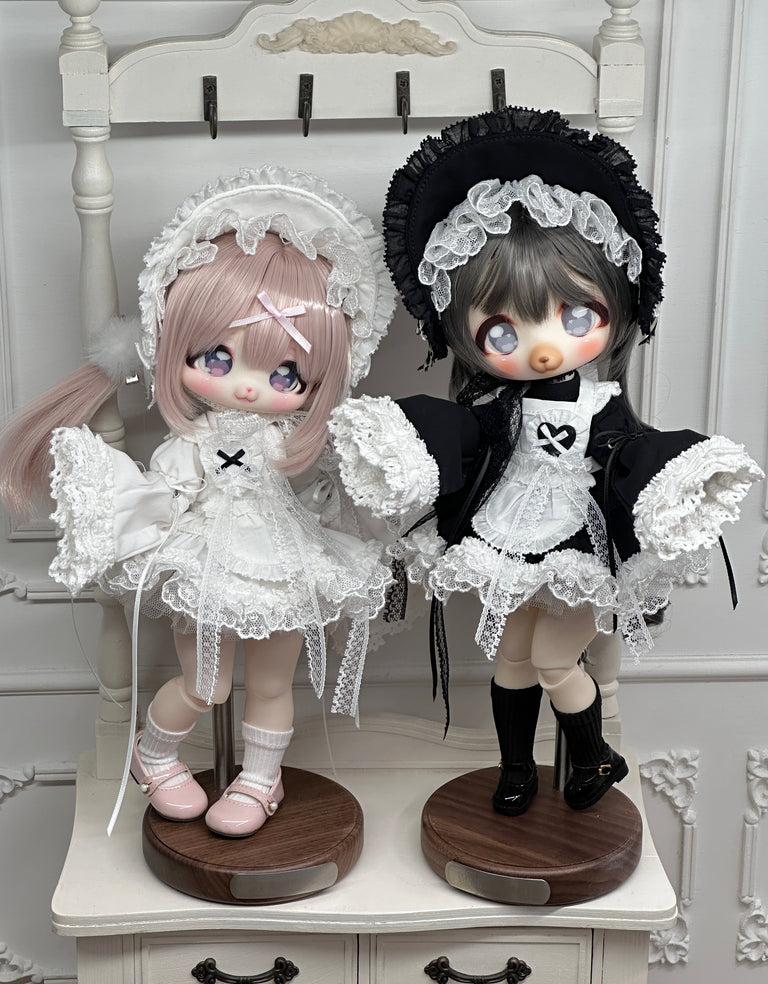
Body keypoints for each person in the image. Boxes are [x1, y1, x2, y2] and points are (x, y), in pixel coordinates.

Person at [329, 107, 762, 816]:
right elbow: (462, 438)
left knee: (556, 659)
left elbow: (633, 456)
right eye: (503, 331)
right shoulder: (496, 407)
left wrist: (670, 486)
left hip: (579, 544)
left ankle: (595, 756)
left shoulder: (601, 407)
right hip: (510, 532)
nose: (544, 347)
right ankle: (516, 770)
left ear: (617, 306)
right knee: (511, 660)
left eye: (576, 316)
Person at [0, 166, 396, 837]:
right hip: (206, 558)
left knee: (271, 684)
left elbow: (327, 484)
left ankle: (261, 778)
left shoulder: (290, 443)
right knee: (204, 684)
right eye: (216, 359)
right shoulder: (192, 443)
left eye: (285, 374)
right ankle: (154, 753)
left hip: (284, 560)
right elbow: (168, 492)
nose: (245, 387)